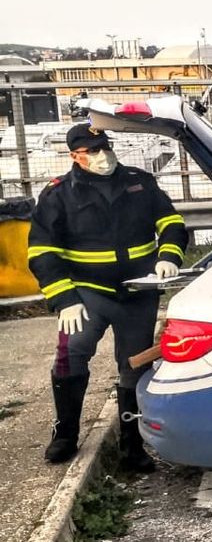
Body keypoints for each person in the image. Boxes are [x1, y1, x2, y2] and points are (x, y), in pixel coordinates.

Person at [28, 123, 187, 469]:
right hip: (87, 294)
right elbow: (41, 252)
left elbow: (171, 222)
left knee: (135, 367)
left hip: (138, 291)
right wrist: (63, 298)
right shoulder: (59, 194)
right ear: (75, 156)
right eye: (93, 151)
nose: (103, 156)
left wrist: (169, 256)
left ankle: (132, 448)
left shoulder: (141, 182)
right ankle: (65, 434)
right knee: (72, 355)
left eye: (105, 147)